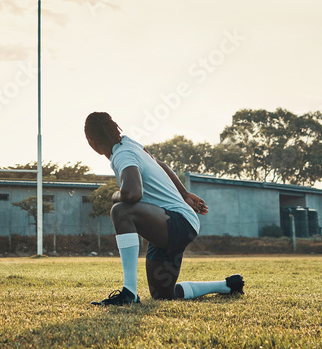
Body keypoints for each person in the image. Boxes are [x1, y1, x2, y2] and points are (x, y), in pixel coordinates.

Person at [84, 111, 244, 306]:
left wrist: (114, 196)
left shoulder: (122, 154)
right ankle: (227, 285)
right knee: (163, 294)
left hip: (177, 221)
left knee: (121, 210)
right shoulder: (129, 144)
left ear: (91, 143)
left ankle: (129, 294)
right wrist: (184, 194)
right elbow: (161, 165)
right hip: (174, 224)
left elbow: (133, 194)